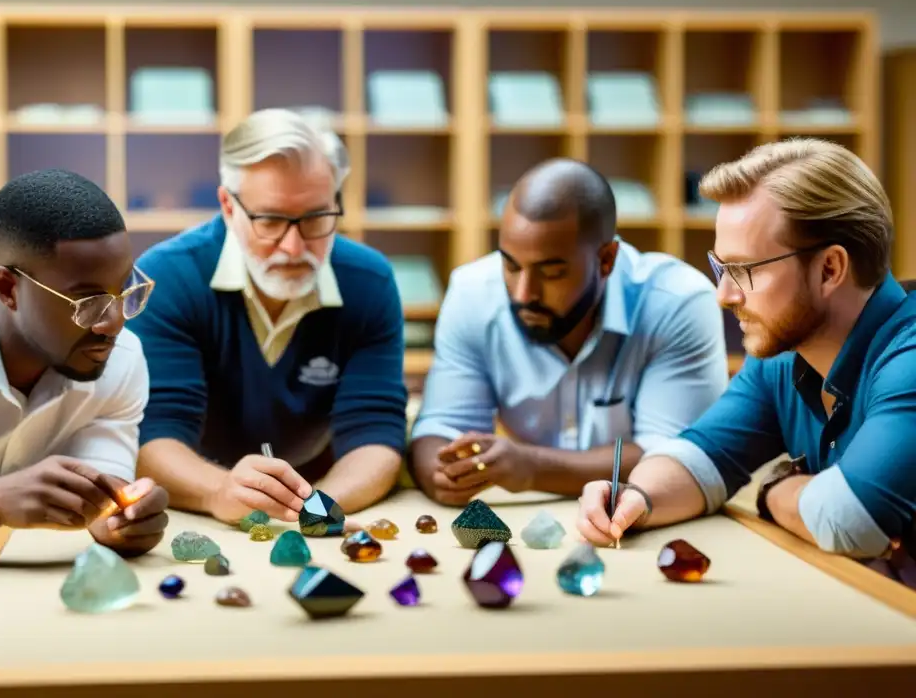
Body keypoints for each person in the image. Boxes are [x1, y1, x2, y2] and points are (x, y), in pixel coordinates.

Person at [575, 138, 916, 588]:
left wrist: (774, 491)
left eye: (745, 271)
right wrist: (636, 497)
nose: (725, 295)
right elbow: (699, 458)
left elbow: (847, 520)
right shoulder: (786, 354)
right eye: (722, 269)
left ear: (830, 269)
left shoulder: (908, 356)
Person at [0, 169, 169, 644]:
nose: (114, 323)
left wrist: (124, 522)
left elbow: (103, 504)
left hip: (22, 608)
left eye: (126, 291)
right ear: (7, 288)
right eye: (88, 302)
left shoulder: (120, 361)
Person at [127, 108, 407, 525]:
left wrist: (316, 509)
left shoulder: (369, 282)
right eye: (271, 220)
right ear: (227, 205)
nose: (294, 248)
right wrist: (217, 490)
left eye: (316, 218)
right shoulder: (167, 278)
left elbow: (376, 432)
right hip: (196, 499)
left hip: (323, 486)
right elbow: (154, 435)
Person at [409, 158, 729, 505]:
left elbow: (676, 459)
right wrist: (440, 474)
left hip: (645, 518)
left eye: (551, 273)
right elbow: (440, 428)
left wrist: (532, 469)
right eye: (511, 265)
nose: (523, 294)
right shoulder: (473, 294)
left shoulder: (677, 302)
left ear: (606, 260)